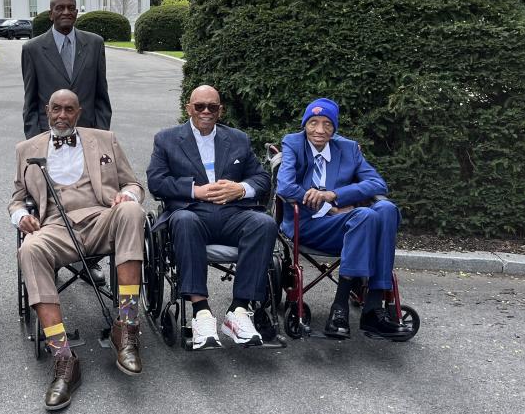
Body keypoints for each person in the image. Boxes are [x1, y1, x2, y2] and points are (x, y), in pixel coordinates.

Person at [10, 89, 145, 411]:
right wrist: (21, 216)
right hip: (55, 226)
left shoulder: (105, 139)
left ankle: (125, 326)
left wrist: (128, 196)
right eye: (56, 109)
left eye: (69, 110)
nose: (62, 116)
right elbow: (16, 198)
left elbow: (133, 184)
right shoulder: (26, 149)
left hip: (102, 217)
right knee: (30, 249)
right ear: (47, 110)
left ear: (78, 112)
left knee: (131, 211)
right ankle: (63, 357)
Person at [146, 85, 277, 351]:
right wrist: (195, 190)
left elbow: (262, 178)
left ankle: (239, 311)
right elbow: (156, 182)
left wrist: (239, 189)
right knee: (183, 221)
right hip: (193, 212)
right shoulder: (167, 139)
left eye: (212, 107)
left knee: (265, 223)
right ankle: (201, 312)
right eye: (200, 106)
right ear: (189, 108)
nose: (206, 112)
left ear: (221, 110)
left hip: (232, 213)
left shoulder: (238, 139)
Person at [276, 97, 407, 340]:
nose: (319, 130)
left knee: (386, 210)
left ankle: (373, 306)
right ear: (305, 124)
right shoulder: (293, 143)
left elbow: (378, 183)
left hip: (352, 227)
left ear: (334, 128)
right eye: (313, 122)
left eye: (327, 124)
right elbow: (284, 187)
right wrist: (330, 208)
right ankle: (341, 307)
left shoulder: (347, 148)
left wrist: (334, 195)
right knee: (365, 215)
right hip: (307, 223)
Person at [20, 0, 112, 285]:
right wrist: (37, 143)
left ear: (77, 13)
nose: (66, 12)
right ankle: (53, 259)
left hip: (88, 140)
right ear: (50, 13)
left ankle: (89, 261)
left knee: (95, 199)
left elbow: (101, 95)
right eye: (60, 8)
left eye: (71, 8)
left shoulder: (94, 44)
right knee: (52, 200)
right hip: (50, 140)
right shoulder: (34, 49)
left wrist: (101, 136)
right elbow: (31, 101)